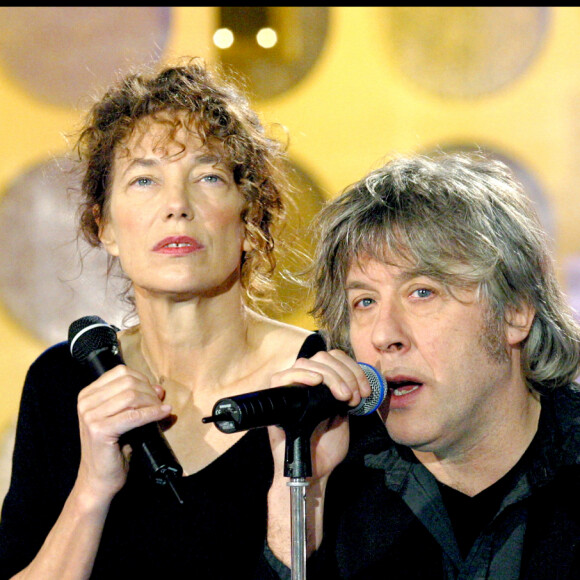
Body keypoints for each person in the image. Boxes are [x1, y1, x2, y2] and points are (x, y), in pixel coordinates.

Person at [0, 57, 327, 579]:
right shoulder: (63, 383)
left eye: (209, 177)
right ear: (104, 226)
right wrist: (91, 489)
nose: (177, 205)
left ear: (249, 221)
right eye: (145, 181)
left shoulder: (319, 383)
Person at [259, 152, 580, 579]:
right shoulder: (334, 482)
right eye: (365, 302)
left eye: (422, 292)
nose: (383, 335)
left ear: (515, 311)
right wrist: (299, 499)